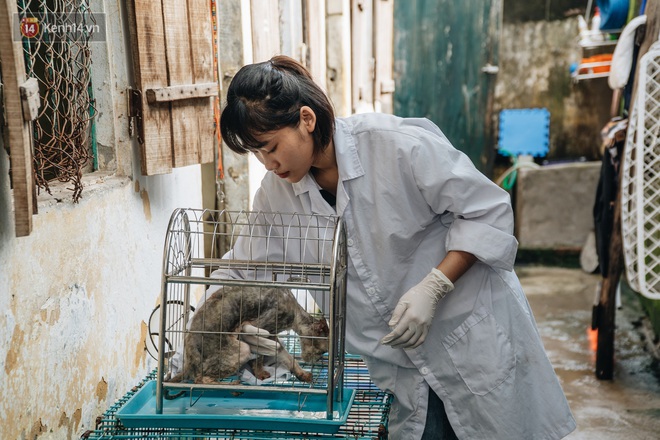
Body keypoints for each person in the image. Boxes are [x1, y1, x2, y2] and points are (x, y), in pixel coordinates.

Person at [216, 55, 577, 439]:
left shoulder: (395, 145)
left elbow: (486, 211)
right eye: (256, 154)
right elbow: (242, 267)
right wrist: (213, 325)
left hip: (470, 339)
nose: (268, 163)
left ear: (306, 119)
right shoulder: (276, 195)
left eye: (271, 147)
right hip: (398, 368)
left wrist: (435, 286)